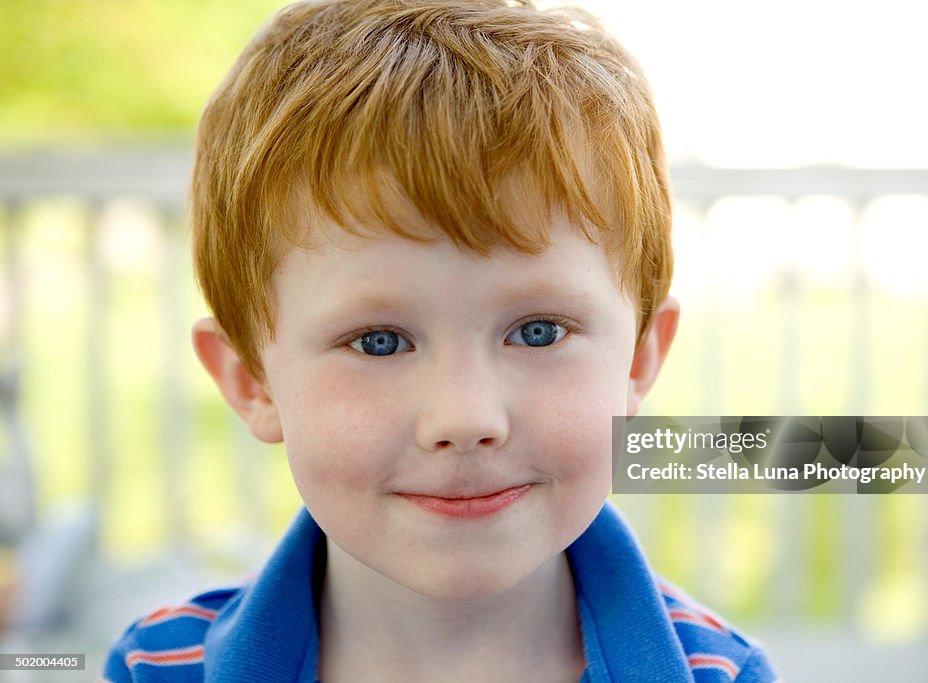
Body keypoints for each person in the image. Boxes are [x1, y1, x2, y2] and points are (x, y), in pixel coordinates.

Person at [103, 1, 777, 680]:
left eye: (538, 332)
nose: (466, 418)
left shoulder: (719, 672)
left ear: (638, 356)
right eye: (379, 342)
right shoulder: (158, 665)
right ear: (251, 377)